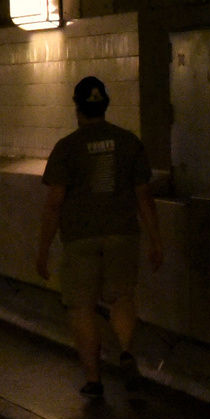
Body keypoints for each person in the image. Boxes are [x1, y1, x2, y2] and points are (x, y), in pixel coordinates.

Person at [36, 75, 164, 401]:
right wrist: (155, 240)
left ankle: (94, 380)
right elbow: (143, 196)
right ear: (105, 106)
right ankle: (125, 352)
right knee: (121, 298)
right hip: (123, 234)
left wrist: (43, 249)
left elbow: (54, 204)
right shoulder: (129, 142)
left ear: (77, 109)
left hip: (80, 238)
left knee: (81, 306)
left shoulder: (67, 148)